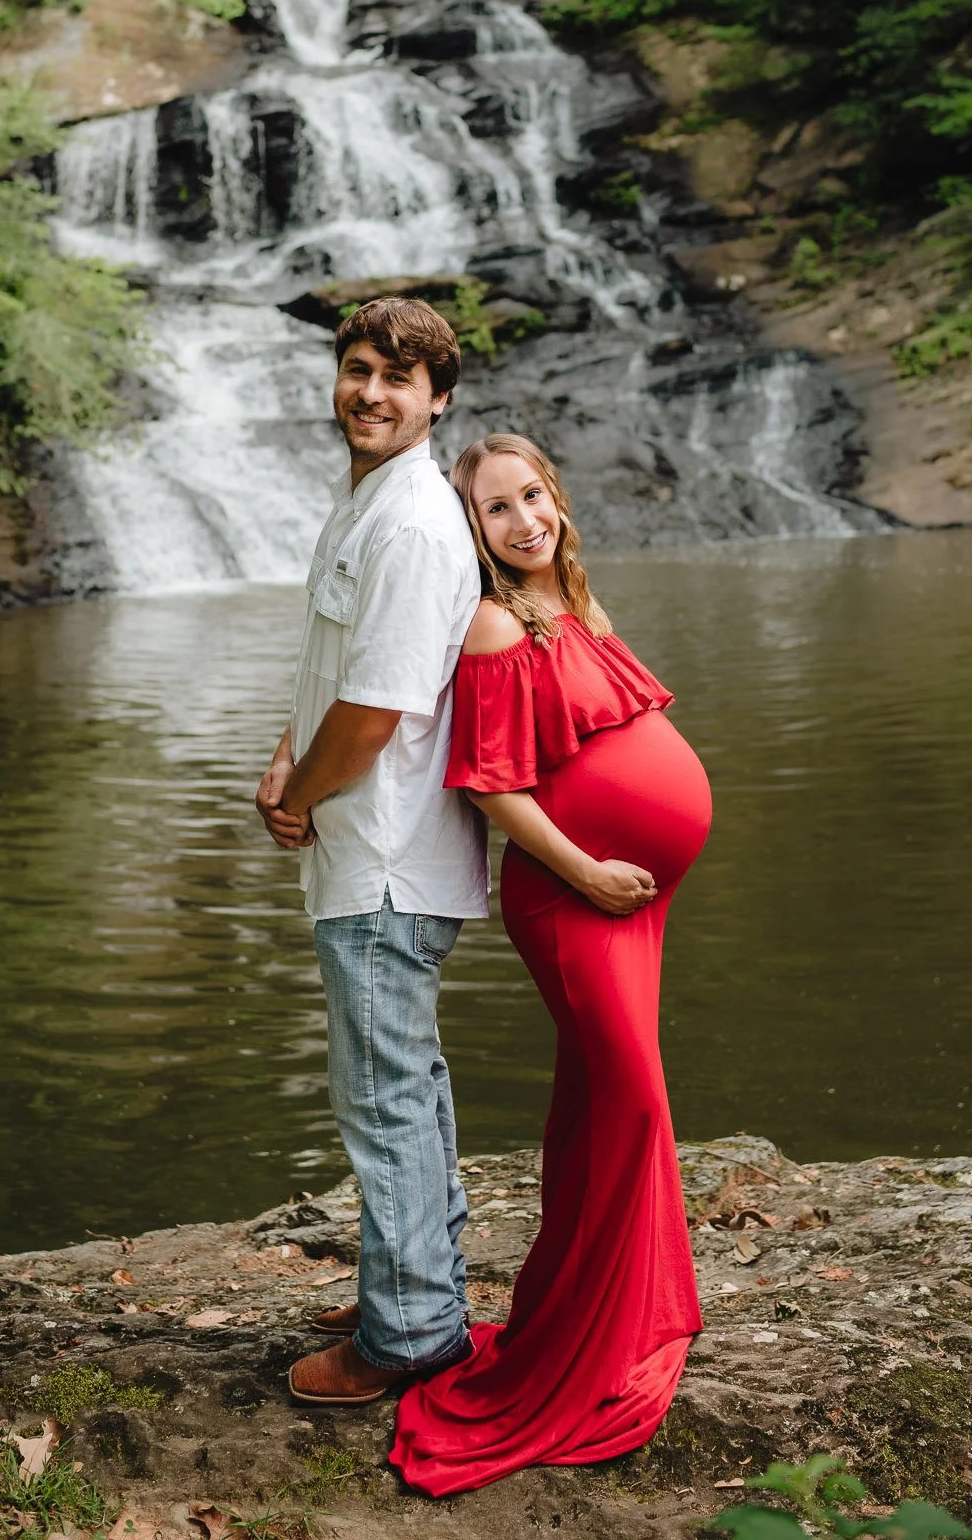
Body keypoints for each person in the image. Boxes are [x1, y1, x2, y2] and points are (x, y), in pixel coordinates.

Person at [390, 432, 711, 1494]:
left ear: (556, 497)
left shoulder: (565, 599)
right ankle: (580, 1352)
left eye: (531, 495)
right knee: (629, 1100)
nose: (523, 519)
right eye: (494, 509)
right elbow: (486, 785)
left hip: (625, 898)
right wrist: (585, 871)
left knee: (596, 1107)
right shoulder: (490, 621)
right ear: (468, 531)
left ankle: (615, 1314)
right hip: (571, 900)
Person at [256, 296, 484, 1405]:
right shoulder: (366, 500)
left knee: (381, 1093)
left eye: (398, 378)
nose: (369, 392)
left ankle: (409, 1334)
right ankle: (417, 1280)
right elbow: (336, 669)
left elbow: (383, 706)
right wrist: (283, 750)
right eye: (356, 369)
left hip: (381, 854)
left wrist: (299, 792)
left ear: (437, 398)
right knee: (406, 1083)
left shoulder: (406, 520)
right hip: (366, 838)